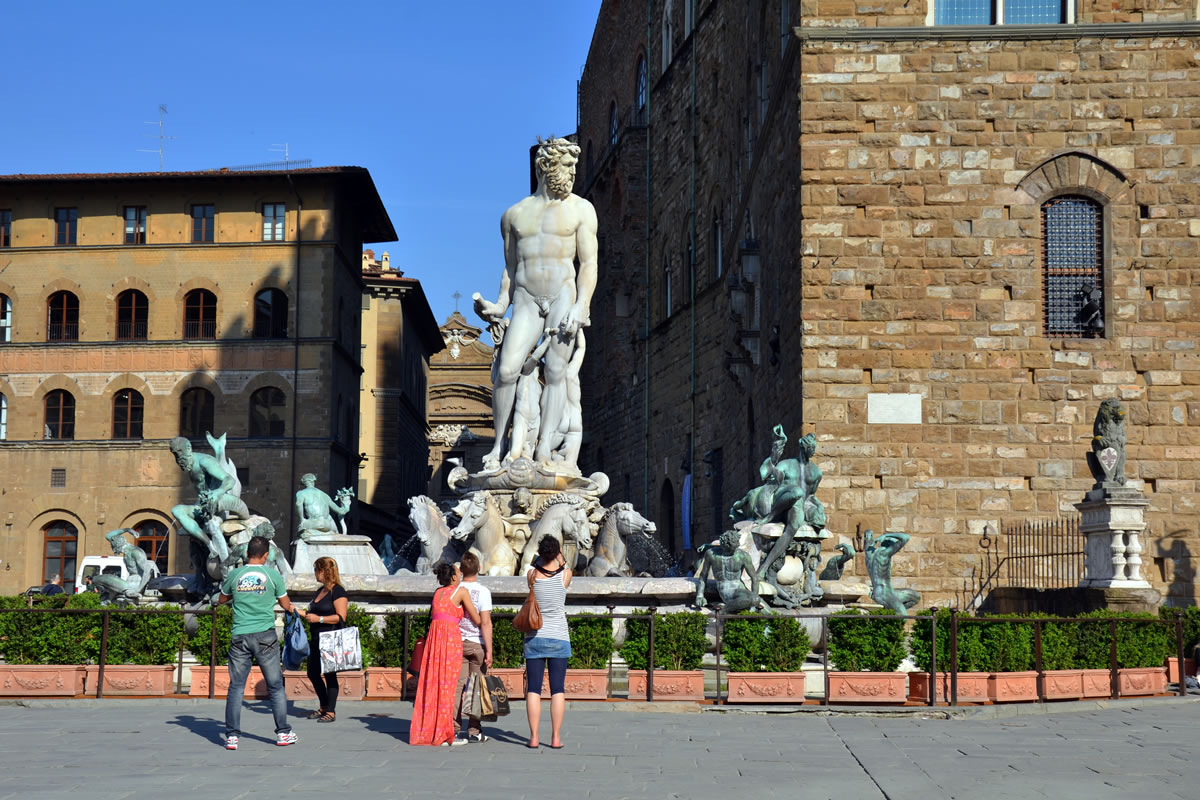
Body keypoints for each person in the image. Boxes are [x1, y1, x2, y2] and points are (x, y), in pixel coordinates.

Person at [473, 137, 599, 470]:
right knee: (508, 369)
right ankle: (498, 447)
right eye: (566, 166)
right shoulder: (513, 216)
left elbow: (588, 264)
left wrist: (581, 304)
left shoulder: (581, 210)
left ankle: (543, 449)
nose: (572, 173)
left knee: (556, 371)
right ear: (545, 166)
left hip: (563, 296)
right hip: (527, 299)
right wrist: (499, 307)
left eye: (574, 167)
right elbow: (511, 269)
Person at [217, 536, 296, 750]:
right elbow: (286, 604)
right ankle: (283, 734)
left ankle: (232, 736)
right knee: (276, 686)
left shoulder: (235, 574)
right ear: (266, 555)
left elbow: (222, 599)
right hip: (265, 636)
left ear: (246, 554)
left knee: (236, 687)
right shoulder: (272, 576)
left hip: (240, 635)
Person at [409, 561, 481, 747]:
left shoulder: (437, 593)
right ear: (454, 577)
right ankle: (444, 733)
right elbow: (477, 618)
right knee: (448, 685)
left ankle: (432, 729)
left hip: (435, 640)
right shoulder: (462, 592)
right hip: (450, 640)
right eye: (458, 572)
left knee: (434, 683)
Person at [523, 536, 572, 750]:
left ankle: (533, 737)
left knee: (533, 689)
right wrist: (561, 559)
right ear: (557, 552)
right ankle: (555, 738)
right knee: (557, 690)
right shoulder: (565, 575)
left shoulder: (531, 575)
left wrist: (540, 560)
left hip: (534, 637)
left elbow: (535, 565)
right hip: (559, 637)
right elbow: (565, 566)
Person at [301, 556, 348, 723]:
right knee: (312, 673)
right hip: (316, 638)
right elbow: (312, 614)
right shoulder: (320, 591)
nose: (314, 574)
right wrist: (296, 611)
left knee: (329, 674)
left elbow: (340, 617)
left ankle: (331, 711)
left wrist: (319, 619)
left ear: (323, 571)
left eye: (315, 570)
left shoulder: (338, 591)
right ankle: (324, 706)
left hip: (330, 638)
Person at [453, 552, 493, 744]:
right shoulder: (483, 592)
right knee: (476, 688)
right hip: (477, 644)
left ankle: (453, 728)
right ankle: (474, 730)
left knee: (458, 687)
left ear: (461, 570)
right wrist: (490, 650)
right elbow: (485, 623)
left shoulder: (454, 589)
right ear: (479, 569)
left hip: (457, 643)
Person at [694, 530, 763, 614]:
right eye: (733, 547)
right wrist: (700, 595)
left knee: (761, 604)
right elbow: (703, 575)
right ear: (724, 545)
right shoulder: (711, 554)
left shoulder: (743, 556)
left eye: (737, 545)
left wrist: (754, 600)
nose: (736, 548)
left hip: (740, 590)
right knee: (755, 600)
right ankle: (723, 611)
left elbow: (754, 578)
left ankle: (724, 610)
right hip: (726, 591)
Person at [295, 473, 354, 540]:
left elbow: (298, 504)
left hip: (315, 523)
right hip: (328, 525)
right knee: (330, 518)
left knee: (300, 529)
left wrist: (302, 519)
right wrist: (347, 504)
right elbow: (341, 511)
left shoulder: (301, 493)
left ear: (305, 482)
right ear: (313, 482)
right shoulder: (325, 495)